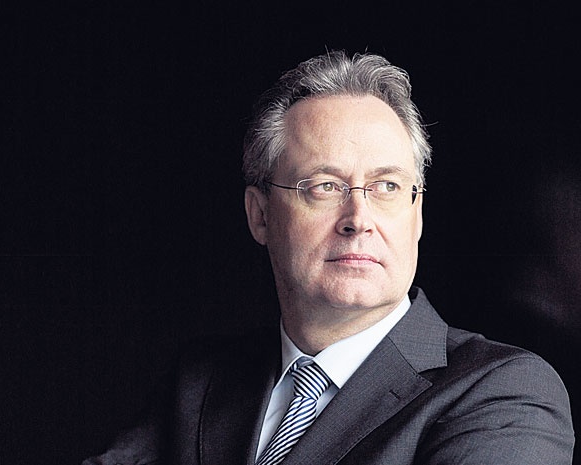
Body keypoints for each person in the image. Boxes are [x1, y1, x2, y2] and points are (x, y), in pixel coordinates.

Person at [83, 51, 575, 464]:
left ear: (417, 214)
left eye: (387, 186)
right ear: (260, 216)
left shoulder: (503, 392)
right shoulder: (201, 382)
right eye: (324, 186)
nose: (359, 218)